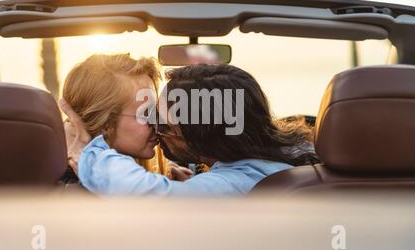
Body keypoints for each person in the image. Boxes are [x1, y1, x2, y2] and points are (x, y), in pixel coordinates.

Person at [61, 64, 318, 197]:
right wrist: (198, 185)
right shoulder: (285, 160)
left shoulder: (235, 183)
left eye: (162, 122)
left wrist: (87, 155)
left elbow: (149, 199)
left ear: (202, 134)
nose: (157, 130)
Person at [62, 53, 193, 181]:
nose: (158, 123)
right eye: (146, 114)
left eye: (156, 112)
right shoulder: (74, 190)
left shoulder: (153, 174)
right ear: (103, 123)